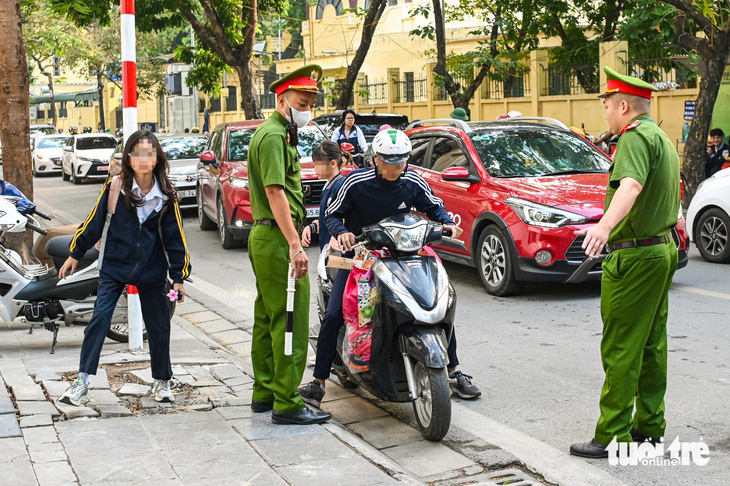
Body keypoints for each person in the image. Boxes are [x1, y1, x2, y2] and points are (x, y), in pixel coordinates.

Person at [297, 129, 482, 408]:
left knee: (436, 305)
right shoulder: (355, 183)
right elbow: (332, 214)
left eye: (401, 160)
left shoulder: (413, 181)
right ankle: (318, 382)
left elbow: (435, 207)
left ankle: (454, 371)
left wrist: (447, 223)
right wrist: (343, 232)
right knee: (335, 313)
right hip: (360, 256)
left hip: (404, 253)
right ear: (376, 159)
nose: (396, 166)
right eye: (389, 161)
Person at [570, 67, 680, 459]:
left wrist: (603, 226)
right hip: (661, 250)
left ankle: (612, 435)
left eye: (607, 106)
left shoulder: (633, 139)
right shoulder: (660, 138)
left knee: (621, 347)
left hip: (635, 256)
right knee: (651, 344)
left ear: (623, 106)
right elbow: (670, 193)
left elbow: (631, 185)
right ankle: (649, 428)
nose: (605, 115)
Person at [57, 130, 191, 407]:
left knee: (159, 326)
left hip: (153, 272)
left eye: (149, 153)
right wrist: (75, 253)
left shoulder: (165, 195)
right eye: (137, 153)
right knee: (99, 320)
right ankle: (81, 382)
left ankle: (162, 381)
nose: (143, 159)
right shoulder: (114, 188)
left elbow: (175, 238)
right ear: (129, 157)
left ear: (157, 158)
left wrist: (179, 277)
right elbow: (93, 222)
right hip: (113, 268)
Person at [246, 64, 332, 425]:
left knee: (268, 317)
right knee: (291, 320)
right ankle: (287, 402)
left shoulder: (279, 133)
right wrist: (296, 245)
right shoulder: (273, 136)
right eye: (302, 101)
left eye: (312, 101)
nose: (308, 107)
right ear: (283, 102)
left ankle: (265, 393)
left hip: (268, 236)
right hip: (279, 238)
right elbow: (274, 191)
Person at [301, 141, 347, 251]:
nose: (315, 168)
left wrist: (337, 235)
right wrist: (311, 227)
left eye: (317, 164)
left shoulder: (341, 186)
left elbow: (345, 219)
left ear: (333, 164)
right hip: (327, 250)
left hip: (339, 253)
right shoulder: (328, 186)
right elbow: (326, 220)